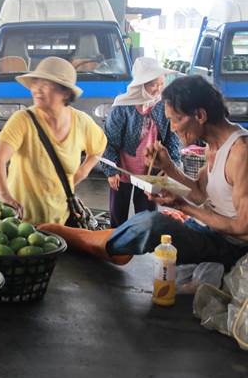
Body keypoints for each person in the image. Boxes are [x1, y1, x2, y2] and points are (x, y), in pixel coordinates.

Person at [41, 75, 248, 269]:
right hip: (207, 229)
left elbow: (243, 226)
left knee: (153, 224)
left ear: (200, 115)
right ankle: (95, 241)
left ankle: (86, 241)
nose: (173, 128)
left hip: (231, 247)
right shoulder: (212, 146)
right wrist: (168, 168)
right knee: (148, 220)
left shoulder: (241, 153)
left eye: (176, 120)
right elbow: (201, 193)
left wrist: (183, 207)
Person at [0, 56, 107, 224]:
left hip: (62, 220)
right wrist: (5, 196)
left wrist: (82, 172)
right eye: (35, 83)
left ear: (65, 92)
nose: (37, 90)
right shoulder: (22, 120)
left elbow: (98, 148)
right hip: (22, 225)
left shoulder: (82, 122)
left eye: (46, 85)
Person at [102, 57, 181, 227]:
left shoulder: (162, 105)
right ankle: (115, 247)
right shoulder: (122, 107)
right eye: (153, 84)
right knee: (118, 215)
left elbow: (171, 138)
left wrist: (172, 166)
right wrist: (110, 171)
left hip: (150, 169)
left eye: (161, 84)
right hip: (122, 169)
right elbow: (109, 141)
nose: (158, 89)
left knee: (148, 216)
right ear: (141, 85)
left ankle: (146, 243)